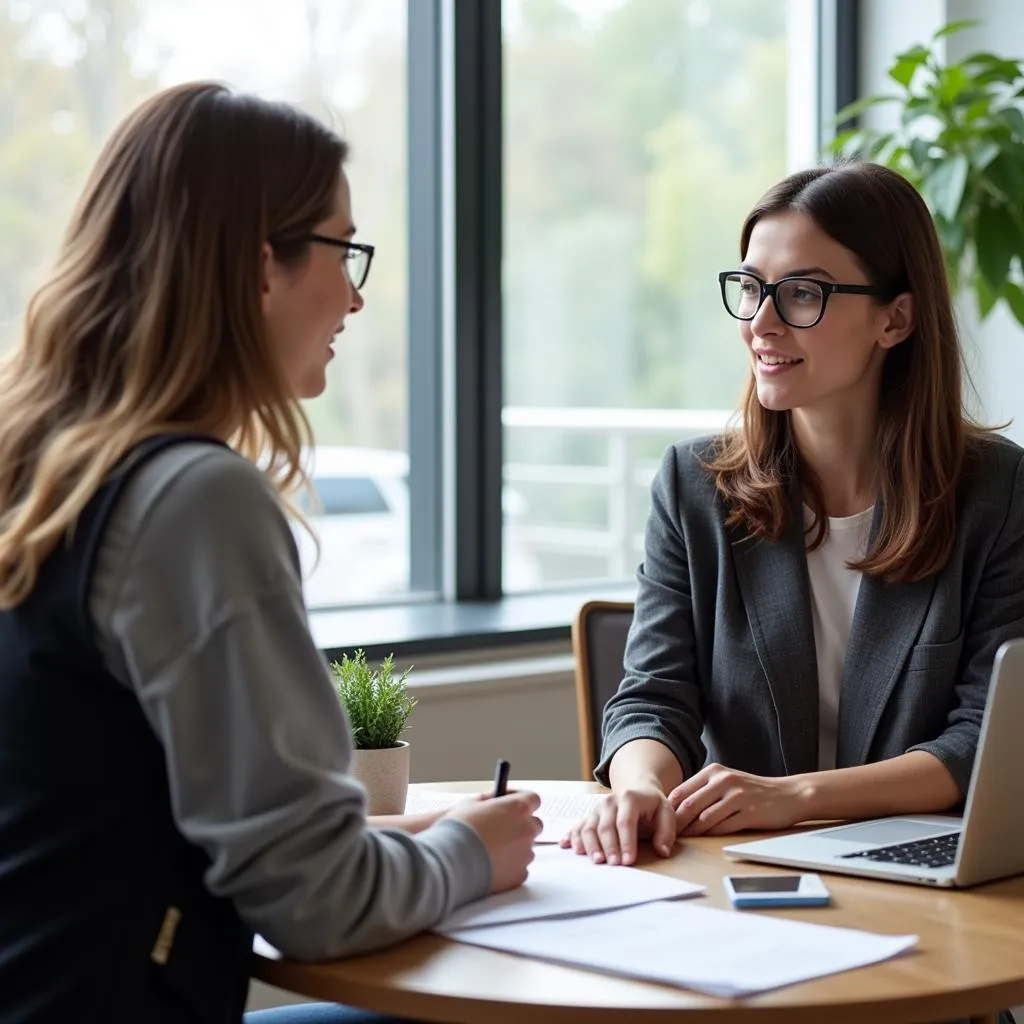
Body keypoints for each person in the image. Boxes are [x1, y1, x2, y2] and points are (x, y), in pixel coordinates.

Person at [0, 81, 541, 1024]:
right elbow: (319, 905)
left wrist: (414, 839)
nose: (357, 295)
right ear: (259, 267)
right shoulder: (192, 501)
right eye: (344, 249)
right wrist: (471, 856)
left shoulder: (39, 469)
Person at [564, 161, 1024, 871]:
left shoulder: (998, 492)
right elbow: (653, 699)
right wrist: (640, 785)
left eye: (802, 292)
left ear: (895, 318)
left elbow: (983, 740)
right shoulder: (693, 486)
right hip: (745, 870)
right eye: (749, 289)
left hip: (925, 870)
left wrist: (797, 796)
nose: (761, 323)